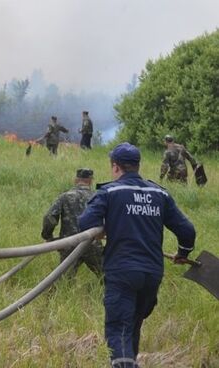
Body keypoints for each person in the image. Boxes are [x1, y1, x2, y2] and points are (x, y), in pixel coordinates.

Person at [78, 142, 196, 368]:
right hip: (152, 273)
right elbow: (187, 230)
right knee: (132, 325)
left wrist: (105, 227)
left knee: (118, 328)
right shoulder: (159, 193)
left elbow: (85, 223)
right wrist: (183, 252)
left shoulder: (110, 192)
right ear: (137, 166)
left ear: (115, 167)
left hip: (122, 271)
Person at [41, 168, 103, 278]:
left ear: (76, 180)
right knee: (107, 278)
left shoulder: (65, 196)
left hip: (69, 244)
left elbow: (50, 218)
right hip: (93, 244)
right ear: (91, 180)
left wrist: (48, 236)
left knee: (64, 282)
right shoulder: (98, 197)